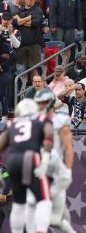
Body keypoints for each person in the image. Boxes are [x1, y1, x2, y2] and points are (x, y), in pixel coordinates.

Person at [0, 99, 54, 233]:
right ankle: (41, 230)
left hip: (13, 160)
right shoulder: (41, 119)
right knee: (44, 200)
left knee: (18, 204)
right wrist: (46, 159)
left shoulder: (11, 123)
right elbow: (49, 137)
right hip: (31, 157)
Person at [31, 89, 75, 232]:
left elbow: (68, 148)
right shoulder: (35, 121)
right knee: (49, 216)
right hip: (40, 171)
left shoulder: (60, 120)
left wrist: (68, 171)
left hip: (56, 173)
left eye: (42, 103)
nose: (40, 106)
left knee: (55, 219)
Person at [49, 0, 82, 64]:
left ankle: (68, 68)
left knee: (70, 47)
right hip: (58, 26)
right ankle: (57, 68)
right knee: (57, 49)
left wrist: (79, 27)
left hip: (70, 27)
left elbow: (78, 11)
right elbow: (52, 10)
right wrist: (52, 25)